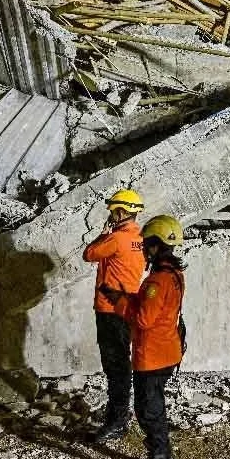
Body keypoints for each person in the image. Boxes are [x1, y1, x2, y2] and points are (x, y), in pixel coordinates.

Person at [116, 213, 186, 459]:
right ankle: (165, 457)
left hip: (152, 356)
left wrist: (121, 304)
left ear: (156, 246)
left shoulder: (157, 281)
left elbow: (144, 319)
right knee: (154, 406)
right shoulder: (174, 274)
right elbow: (156, 309)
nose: (143, 248)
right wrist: (131, 298)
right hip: (168, 352)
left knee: (148, 411)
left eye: (146, 244)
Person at [82, 188, 146, 442]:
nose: (111, 215)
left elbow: (89, 254)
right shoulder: (141, 238)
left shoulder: (116, 238)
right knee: (122, 363)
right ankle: (120, 417)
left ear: (120, 212)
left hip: (109, 310)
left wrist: (105, 231)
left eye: (112, 211)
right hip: (128, 307)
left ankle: (117, 422)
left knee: (115, 367)